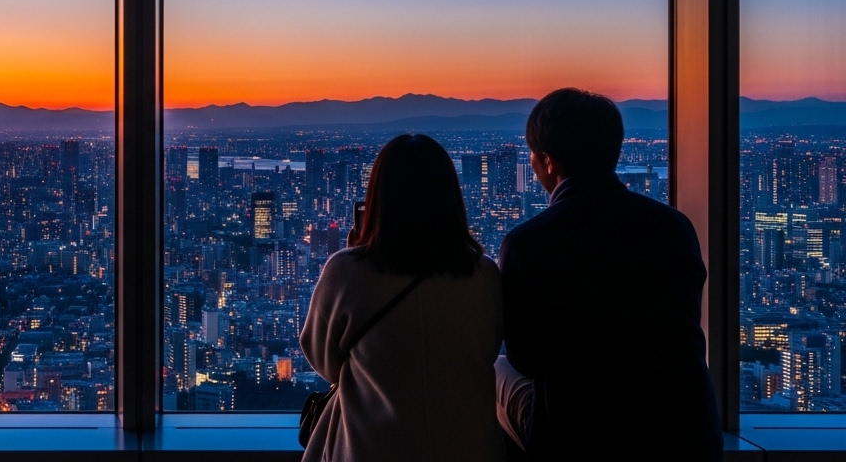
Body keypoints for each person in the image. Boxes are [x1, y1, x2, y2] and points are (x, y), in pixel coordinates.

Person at [497, 88, 722, 460]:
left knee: (497, 370)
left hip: (581, 438)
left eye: (534, 156)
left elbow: (526, 359)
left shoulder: (530, 243)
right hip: (685, 436)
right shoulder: (672, 227)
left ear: (549, 162)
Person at [301, 134, 504, 462]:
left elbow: (325, 361)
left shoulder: (347, 272)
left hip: (372, 450)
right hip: (469, 449)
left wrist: (355, 253)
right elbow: (486, 351)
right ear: (450, 199)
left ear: (379, 198)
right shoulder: (484, 274)